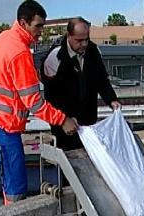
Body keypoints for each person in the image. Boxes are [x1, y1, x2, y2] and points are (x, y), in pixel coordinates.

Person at [0, 0, 79, 205]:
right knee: (15, 188)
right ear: (23, 23)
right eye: (38, 26)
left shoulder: (5, 38)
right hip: (3, 125)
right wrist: (63, 119)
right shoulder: (20, 53)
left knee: (11, 182)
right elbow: (34, 103)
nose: (41, 32)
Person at [41, 17, 120, 151]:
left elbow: (101, 79)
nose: (84, 44)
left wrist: (111, 100)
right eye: (79, 40)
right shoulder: (55, 57)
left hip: (87, 121)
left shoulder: (93, 51)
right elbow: (52, 96)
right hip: (64, 126)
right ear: (69, 35)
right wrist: (64, 120)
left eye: (86, 39)